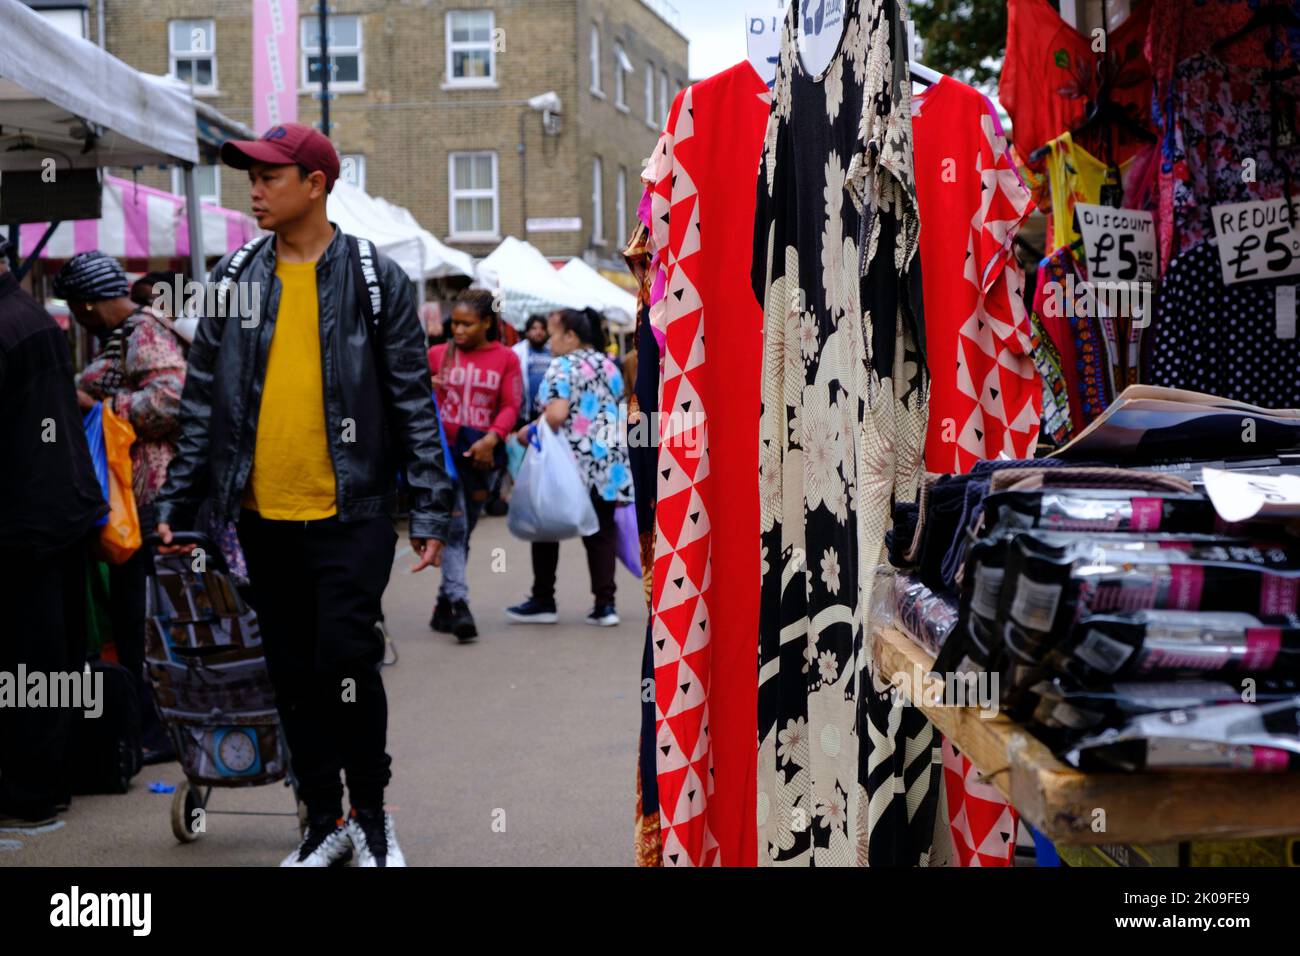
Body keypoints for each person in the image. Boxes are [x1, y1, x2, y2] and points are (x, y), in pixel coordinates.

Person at [154, 122, 454, 868]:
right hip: (262, 516)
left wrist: (430, 507)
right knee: (292, 672)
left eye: (269, 177)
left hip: (350, 511)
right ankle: (324, 821)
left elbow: (413, 401)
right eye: (249, 177)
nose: (253, 190)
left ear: (315, 184)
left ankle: (372, 817)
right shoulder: (232, 282)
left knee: (347, 661)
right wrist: (176, 505)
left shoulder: (376, 279)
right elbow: (200, 407)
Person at [56, 250, 188, 764]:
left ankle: (162, 730)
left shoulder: (144, 331)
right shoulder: (127, 335)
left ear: (87, 305)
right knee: (137, 616)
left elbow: (171, 399)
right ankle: (152, 723)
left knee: (147, 618)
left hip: (160, 497)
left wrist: (105, 408)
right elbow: (102, 376)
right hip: (148, 499)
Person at [0, 239, 107, 827]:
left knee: (28, 658)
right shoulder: (32, 315)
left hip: (25, 521)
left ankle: (30, 791)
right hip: (58, 511)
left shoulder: (8, 322)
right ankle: (51, 781)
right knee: (55, 657)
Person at [507, 308, 633, 627]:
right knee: (601, 532)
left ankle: (543, 599)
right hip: (608, 463)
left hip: (570, 464)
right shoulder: (609, 364)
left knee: (545, 527)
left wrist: (527, 431)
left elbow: (557, 415)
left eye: (553, 334)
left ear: (570, 336)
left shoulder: (561, 366)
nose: (549, 342)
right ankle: (605, 606)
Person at [427, 288, 522, 641]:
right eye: (455, 324)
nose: (459, 331)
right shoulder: (436, 355)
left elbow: (512, 404)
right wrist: (427, 385)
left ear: (486, 323)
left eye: (467, 324)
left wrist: (492, 437)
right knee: (454, 527)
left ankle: (442, 605)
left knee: (464, 532)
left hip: (481, 458)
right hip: (443, 458)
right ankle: (459, 605)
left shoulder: (506, 358)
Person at [512, 314, 552, 421]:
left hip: (548, 410)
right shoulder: (517, 351)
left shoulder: (552, 351)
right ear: (527, 332)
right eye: (534, 328)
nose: (538, 332)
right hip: (525, 412)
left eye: (542, 328)